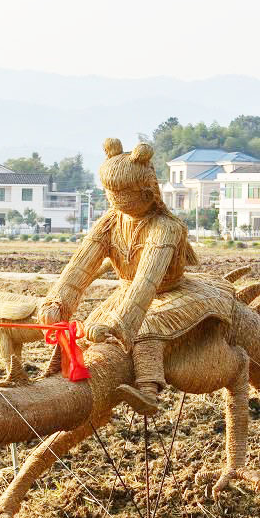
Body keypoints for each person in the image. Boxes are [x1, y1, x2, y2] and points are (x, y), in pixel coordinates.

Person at [39, 138, 198, 413]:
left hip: (170, 292)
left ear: (148, 189)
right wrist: (57, 303)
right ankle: (54, 374)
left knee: (145, 326)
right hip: (126, 291)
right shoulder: (110, 222)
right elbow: (80, 268)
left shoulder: (166, 227)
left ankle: (148, 389)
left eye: (126, 192)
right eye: (112, 193)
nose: (118, 200)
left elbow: (146, 282)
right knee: (83, 328)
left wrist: (119, 323)